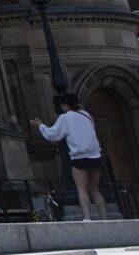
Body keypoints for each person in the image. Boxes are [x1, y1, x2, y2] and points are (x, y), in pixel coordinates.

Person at [32, 92, 106, 221]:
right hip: (95, 155)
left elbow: (53, 135)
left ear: (65, 105)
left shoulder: (65, 118)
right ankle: (104, 217)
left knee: (82, 188)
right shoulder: (87, 115)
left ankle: (87, 217)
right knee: (95, 189)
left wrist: (40, 125)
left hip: (79, 156)